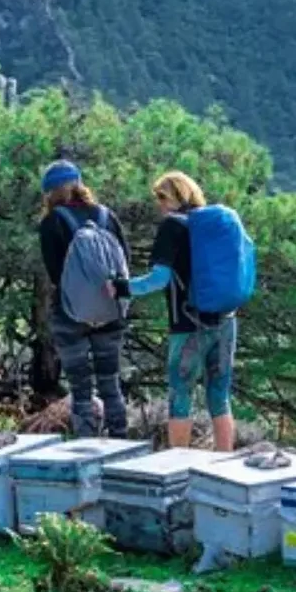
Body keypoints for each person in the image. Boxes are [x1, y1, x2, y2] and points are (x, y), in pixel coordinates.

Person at [123, 171, 241, 452]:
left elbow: (158, 279)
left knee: (180, 397)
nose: (159, 205)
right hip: (226, 320)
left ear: (173, 196)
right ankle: (225, 464)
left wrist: (120, 287)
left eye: (161, 198)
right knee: (219, 396)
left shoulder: (172, 226)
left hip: (188, 325)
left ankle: (180, 464)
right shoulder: (214, 225)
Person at [38, 160, 131, 438]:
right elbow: (123, 261)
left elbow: (55, 272)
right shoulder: (106, 216)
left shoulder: (53, 221)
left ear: (50, 191)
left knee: (80, 388)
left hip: (70, 313)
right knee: (110, 382)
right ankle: (120, 442)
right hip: (110, 310)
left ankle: (87, 446)